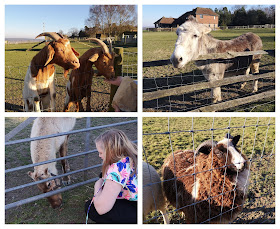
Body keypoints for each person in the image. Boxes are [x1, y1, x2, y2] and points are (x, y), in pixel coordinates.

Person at [85, 129, 138, 224]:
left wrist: (97, 186)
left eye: (101, 152)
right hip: (138, 201)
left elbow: (101, 209)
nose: (99, 155)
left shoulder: (118, 168)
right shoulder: (131, 157)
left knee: (90, 208)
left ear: (110, 152)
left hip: (134, 209)